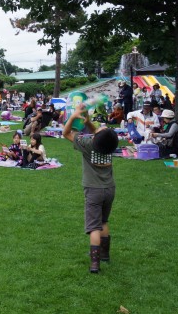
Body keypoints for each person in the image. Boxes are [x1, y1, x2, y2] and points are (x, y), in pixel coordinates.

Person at [63, 103, 120, 274]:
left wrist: (73, 117)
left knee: (94, 227)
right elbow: (99, 134)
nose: (101, 127)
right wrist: (88, 122)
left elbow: (66, 133)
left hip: (93, 190)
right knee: (103, 221)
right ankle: (104, 254)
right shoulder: (109, 146)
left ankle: (95, 264)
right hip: (109, 189)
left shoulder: (87, 144)